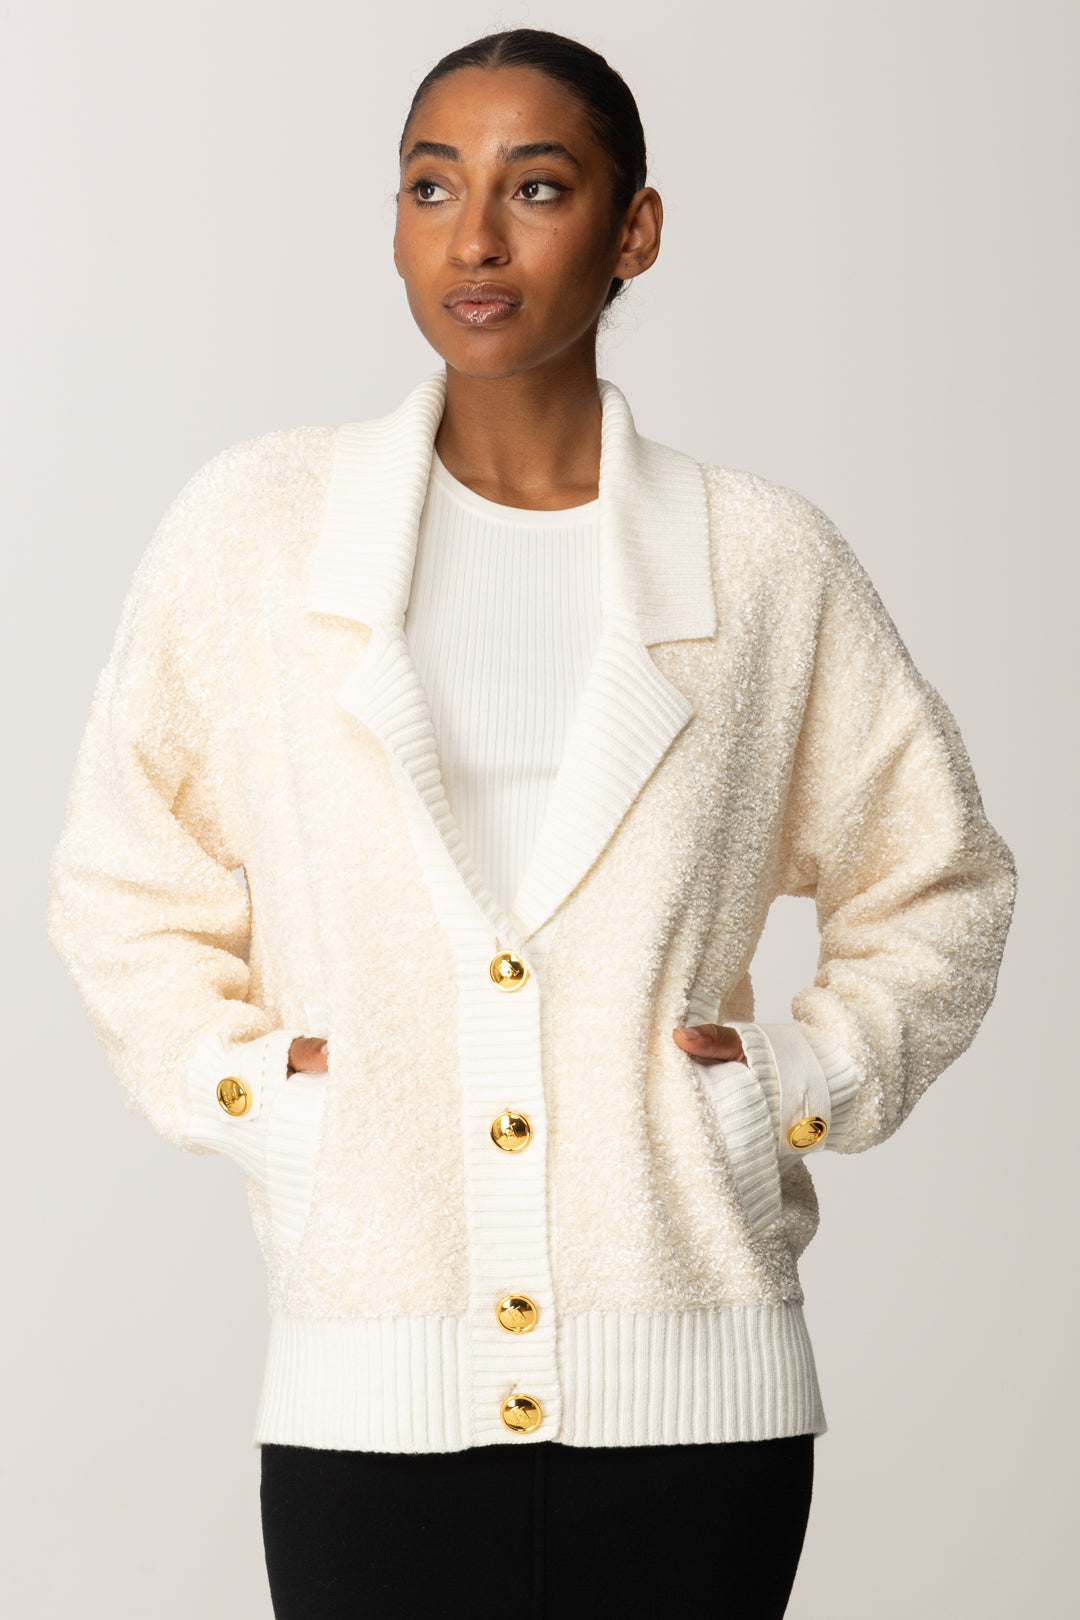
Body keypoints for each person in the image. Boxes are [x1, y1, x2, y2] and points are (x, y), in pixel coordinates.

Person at [47, 27, 1016, 1620]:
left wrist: (797, 1085)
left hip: (697, 1411)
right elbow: (121, 880)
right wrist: (259, 1096)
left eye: (538, 188)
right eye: (432, 188)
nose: (475, 239)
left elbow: (942, 883)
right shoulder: (259, 532)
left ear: (635, 230)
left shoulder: (762, 559)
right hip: (368, 1396)